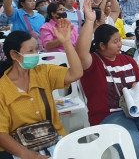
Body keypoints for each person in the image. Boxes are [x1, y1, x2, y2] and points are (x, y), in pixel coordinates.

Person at [75, 0, 139, 159]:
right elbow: (80, 53)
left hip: (134, 112)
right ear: (102, 46)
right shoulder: (94, 63)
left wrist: (138, 87)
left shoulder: (127, 60)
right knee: (132, 143)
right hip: (108, 116)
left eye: (120, 40)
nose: (120, 45)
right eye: (115, 42)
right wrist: (89, 21)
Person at [0, 19, 83, 158]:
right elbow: (1, 133)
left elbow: (76, 73)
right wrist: (30, 155)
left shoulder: (43, 72)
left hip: (52, 140)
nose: (36, 54)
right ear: (14, 55)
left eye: (37, 49)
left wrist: (66, 42)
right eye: (30, 50)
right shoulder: (3, 88)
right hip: (18, 148)